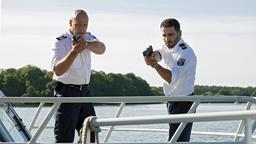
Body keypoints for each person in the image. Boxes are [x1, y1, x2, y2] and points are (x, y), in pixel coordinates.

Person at [51, 9, 106, 143]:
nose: (82, 29)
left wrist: (86, 44)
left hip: (85, 93)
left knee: (92, 134)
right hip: (66, 93)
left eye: (85, 25)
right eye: (78, 25)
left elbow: (102, 48)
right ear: (70, 23)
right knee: (64, 138)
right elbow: (57, 70)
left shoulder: (88, 37)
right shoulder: (60, 41)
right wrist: (74, 52)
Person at [144, 18, 196, 142]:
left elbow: (171, 78)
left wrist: (155, 65)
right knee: (174, 139)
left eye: (171, 34)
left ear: (180, 33)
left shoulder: (186, 53)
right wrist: (155, 56)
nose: (167, 39)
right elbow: (162, 53)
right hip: (171, 102)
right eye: (164, 35)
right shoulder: (168, 46)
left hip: (184, 103)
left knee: (177, 140)